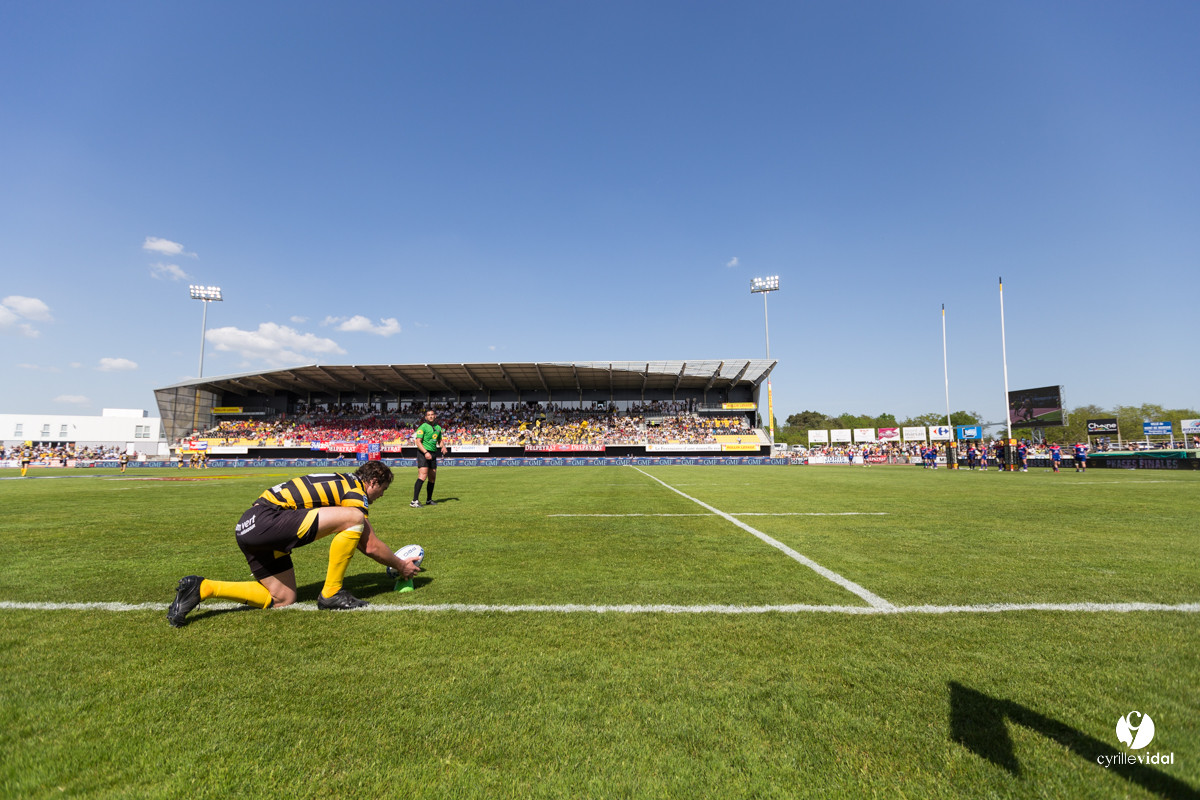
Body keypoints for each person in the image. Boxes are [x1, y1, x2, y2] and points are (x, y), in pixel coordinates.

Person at [167, 461, 421, 627]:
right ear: (373, 482)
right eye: (382, 490)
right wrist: (401, 566)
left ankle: (202, 588)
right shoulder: (355, 489)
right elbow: (369, 545)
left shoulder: (341, 481)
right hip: (266, 521)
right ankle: (331, 593)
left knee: (283, 598)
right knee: (355, 519)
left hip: (250, 525)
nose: (381, 496)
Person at [412, 408, 447, 508]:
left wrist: (443, 446)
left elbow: (439, 440)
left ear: (435, 416)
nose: (431, 416)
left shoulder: (438, 428)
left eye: (432, 414)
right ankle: (414, 501)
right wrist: (425, 452)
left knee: (432, 478)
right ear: (426, 417)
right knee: (422, 476)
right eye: (429, 415)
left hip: (433, 453)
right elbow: (418, 442)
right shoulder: (423, 427)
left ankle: (429, 499)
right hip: (423, 453)